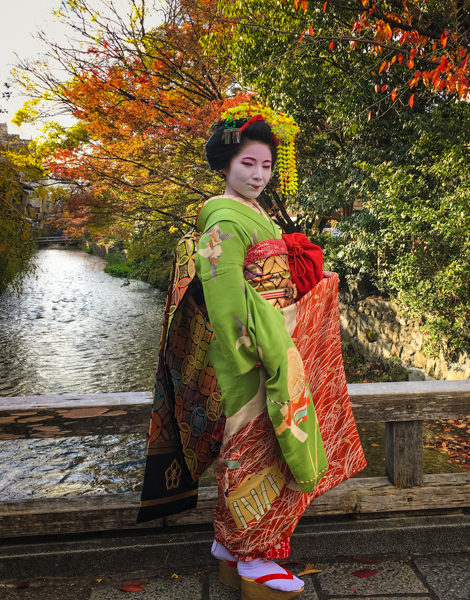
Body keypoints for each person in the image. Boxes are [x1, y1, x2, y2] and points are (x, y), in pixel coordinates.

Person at [137, 104, 365, 600]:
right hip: (251, 355)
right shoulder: (222, 218)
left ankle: (228, 548)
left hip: (267, 340)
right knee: (258, 452)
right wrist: (270, 350)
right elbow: (227, 306)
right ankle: (255, 557)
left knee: (249, 449)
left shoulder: (250, 213)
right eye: (248, 164)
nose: (259, 175)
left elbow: (272, 282)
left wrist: (313, 288)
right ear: (225, 164)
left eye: (266, 165)